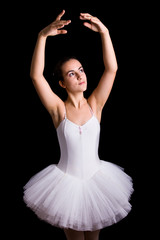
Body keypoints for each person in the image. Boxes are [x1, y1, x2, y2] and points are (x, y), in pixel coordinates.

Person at [23, 10, 133, 240]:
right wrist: (42, 37)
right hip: (67, 188)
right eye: (72, 74)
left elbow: (111, 68)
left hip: (97, 182)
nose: (80, 76)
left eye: (81, 70)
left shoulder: (96, 104)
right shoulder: (58, 109)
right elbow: (36, 76)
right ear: (62, 83)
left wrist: (105, 32)